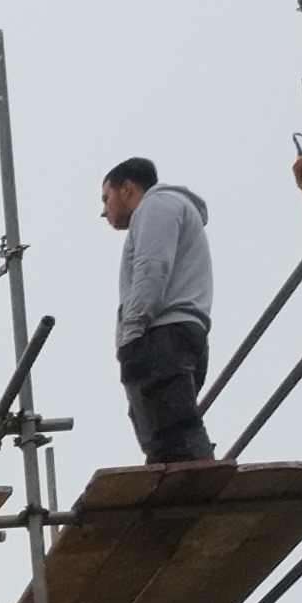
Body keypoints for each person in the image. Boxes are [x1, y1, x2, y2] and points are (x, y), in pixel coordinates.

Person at [101, 159, 216, 464]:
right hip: (178, 333)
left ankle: (193, 492)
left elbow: (152, 270)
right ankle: (187, 491)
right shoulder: (167, 209)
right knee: (162, 429)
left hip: (161, 333)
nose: (104, 211)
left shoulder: (156, 207)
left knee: (172, 436)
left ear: (127, 188)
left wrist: (132, 333)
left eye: (106, 198)